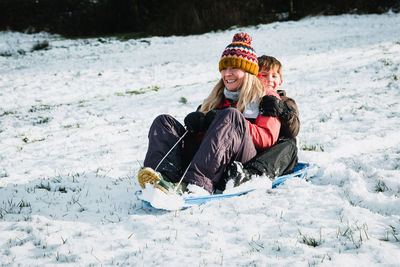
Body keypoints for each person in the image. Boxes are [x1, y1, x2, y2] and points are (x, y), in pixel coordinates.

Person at [137, 32, 282, 194]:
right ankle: (162, 177)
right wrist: (199, 126)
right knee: (164, 122)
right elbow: (210, 143)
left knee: (231, 116)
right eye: (224, 68)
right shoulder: (217, 96)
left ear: (248, 71)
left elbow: (267, 139)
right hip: (212, 158)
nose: (227, 74)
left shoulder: (265, 96)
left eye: (234, 67)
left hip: (244, 161)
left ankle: (197, 184)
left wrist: (232, 122)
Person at [225, 55, 300, 187]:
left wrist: (282, 110)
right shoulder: (247, 101)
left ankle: (254, 175)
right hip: (252, 150)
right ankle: (240, 172)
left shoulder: (287, 102)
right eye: (264, 75)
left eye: (274, 76)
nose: (269, 80)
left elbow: (293, 130)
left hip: (275, 158)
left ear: (280, 81)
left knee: (290, 143)